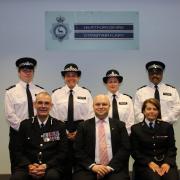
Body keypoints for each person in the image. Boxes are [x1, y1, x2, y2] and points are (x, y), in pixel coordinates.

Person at [10, 92, 68, 180]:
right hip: (28, 166)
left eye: (47, 103)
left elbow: (63, 152)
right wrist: (29, 166)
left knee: (52, 177)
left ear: (51, 106)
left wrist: (46, 165)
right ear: (34, 105)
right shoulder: (25, 125)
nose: (43, 106)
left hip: (51, 167)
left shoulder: (59, 126)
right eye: (40, 103)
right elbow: (17, 150)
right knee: (16, 178)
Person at [51, 63, 94, 180]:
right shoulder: (56, 94)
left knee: (81, 165)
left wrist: (79, 133)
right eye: (68, 75)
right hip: (61, 130)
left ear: (78, 77)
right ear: (64, 77)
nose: (71, 77)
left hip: (81, 131)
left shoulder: (86, 93)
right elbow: (53, 116)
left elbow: (90, 115)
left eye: (74, 75)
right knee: (63, 164)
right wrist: (64, 132)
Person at [73, 94, 130, 180]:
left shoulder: (120, 125)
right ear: (93, 106)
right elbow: (78, 150)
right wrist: (93, 166)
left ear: (109, 106)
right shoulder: (83, 126)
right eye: (97, 104)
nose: (101, 107)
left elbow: (125, 148)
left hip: (114, 168)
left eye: (104, 104)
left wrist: (110, 167)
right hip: (89, 168)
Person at [5, 57, 44, 172]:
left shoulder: (41, 91)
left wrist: (35, 129)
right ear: (19, 72)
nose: (27, 73)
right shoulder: (10, 92)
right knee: (18, 166)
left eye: (30, 70)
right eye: (24, 70)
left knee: (38, 164)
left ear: (33, 72)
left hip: (38, 133)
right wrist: (25, 129)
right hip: (18, 134)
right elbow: (9, 115)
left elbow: (45, 111)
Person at [130, 98, 179, 180]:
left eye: (155, 109)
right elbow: (135, 151)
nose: (152, 111)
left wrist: (167, 163)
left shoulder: (167, 127)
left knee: (171, 178)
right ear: (143, 111)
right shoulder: (136, 129)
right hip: (145, 164)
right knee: (153, 178)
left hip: (165, 162)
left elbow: (172, 148)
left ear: (158, 111)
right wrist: (149, 163)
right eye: (148, 109)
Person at [103, 69, 134, 134]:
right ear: (106, 84)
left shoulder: (127, 99)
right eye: (110, 82)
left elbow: (130, 120)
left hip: (125, 134)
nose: (113, 84)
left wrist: (126, 134)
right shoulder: (102, 99)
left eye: (115, 81)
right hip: (106, 134)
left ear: (119, 83)